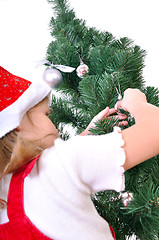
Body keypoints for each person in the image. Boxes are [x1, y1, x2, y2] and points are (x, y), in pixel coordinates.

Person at [0, 66, 158, 240]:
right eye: (46, 114)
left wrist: (84, 137)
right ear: (17, 122)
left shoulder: (4, 193)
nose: (54, 126)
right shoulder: (61, 162)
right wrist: (136, 102)